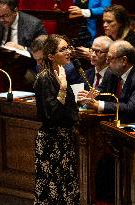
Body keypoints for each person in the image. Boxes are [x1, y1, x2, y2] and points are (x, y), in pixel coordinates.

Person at [34, 34, 80, 205]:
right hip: (51, 142)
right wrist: (62, 89)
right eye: (63, 49)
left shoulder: (62, 72)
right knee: (53, 193)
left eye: (68, 47)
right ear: (51, 56)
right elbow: (50, 115)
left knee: (67, 190)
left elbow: (68, 109)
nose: (68, 52)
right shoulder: (44, 77)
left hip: (64, 139)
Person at [78, 40, 135, 123]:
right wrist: (90, 97)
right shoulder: (110, 73)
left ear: (124, 60)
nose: (107, 62)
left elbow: (131, 108)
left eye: (110, 58)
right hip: (111, 123)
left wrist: (100, 105)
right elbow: (101, 90)